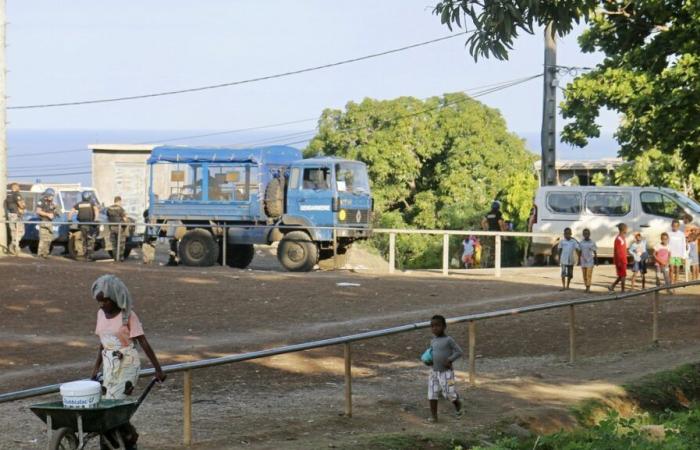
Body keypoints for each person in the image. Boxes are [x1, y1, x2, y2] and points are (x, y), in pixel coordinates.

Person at [90, 275, 166, 449]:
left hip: (127, 364)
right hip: (109, 364)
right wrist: (95, 369)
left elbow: (144, 342)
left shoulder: (128, 315)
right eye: (99, 302)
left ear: (116, 297)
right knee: (104, 404)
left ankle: (128, 437)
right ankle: (125, 436)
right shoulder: (101, 314)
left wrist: (158, 369)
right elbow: (103, 344)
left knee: (113, 404)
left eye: (105, 301)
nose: (102, 305)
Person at [424, 315, 462, 422]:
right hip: (434, 371)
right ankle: (434, 416)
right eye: (432, 326)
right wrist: (428, 361)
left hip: (447, 372)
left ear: (444, 326)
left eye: (437, 325)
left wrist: (450, 360)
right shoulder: (433, 341)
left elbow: (459, 352)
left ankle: (458, 404)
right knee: (432, 393)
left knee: (449, 392)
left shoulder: (448, 340)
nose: (434, 328)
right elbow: (431, 353)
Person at [70, 191, 100, 261]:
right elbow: (96, 210)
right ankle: (89, 257)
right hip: (90, 225)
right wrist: (96, 219)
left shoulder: (79, 204)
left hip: (82, 225)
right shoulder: (91, 203)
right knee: (90, 240)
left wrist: (69, 220)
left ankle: (82, 255)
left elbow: (71, 211)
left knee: (83, 240)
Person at [480, 201, 506, 267]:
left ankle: (488, 264)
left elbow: (483, 222)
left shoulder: (488, 214)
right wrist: (504, 234)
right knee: (497, 250)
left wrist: (485, 230)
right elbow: (500, 223)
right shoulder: (498, 213)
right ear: (498, 207)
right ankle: (495, 265)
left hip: (490, 233)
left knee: (489, 248)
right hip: (497, 234)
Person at [3, 182, 25, 256]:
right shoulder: (17, 194)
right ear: (15, 187)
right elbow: (21, 205)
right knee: (21, 232)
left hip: (10, 215)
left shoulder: (8, 195)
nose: (19, 188)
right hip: (17, 215)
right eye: (18, 187)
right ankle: (13, 245)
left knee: (13, 232)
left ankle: (14, 247)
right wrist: (23, 205)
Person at [35, 188, 58, 258]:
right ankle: (40, 254)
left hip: (50, 222)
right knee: (43, 238)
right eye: (51, 196)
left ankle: (45, 253)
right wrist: (48, 214)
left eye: (53, 196)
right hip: (44, 221)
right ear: (47, 195)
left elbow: (54, 211)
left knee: (49, 239)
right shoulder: (41, 201)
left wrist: (55, 209)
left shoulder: (52, 202)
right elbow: (38, 211)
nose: (52, 197)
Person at [106, 196, 128, 262]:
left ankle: (115, 257)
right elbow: (125, 218)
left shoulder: (109, 208)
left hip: (112, 227)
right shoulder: (120, 209)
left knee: (114, 244)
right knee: (121, 243)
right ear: (119, 201)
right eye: (121, 202)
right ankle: (120, 257)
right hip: (119, 227)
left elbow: (107, 216)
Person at [608, 223, 628, 292]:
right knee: (623, 276)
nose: (627, 229)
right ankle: (623, 290)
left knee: (621, 275)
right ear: (624, 229)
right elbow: (618, 251)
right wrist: (619, 261)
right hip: (621, 260)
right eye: (626, 228)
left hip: (623, 259)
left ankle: (612, 286)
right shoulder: (618, 239)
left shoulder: (622, 237)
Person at [578, 228, 597, 293]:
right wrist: (578, 260)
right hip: (583, 261)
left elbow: (595, 252)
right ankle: (586, 286)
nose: (586, 235)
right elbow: (579, 252)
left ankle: (588, 288)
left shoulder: (592, 242)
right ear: (583, 234)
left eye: (587, 233)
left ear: (589, 234)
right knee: (584, 275)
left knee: (588, 275)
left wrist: (596, 260)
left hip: (590, 261)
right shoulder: (581, 243)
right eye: (585, 234)